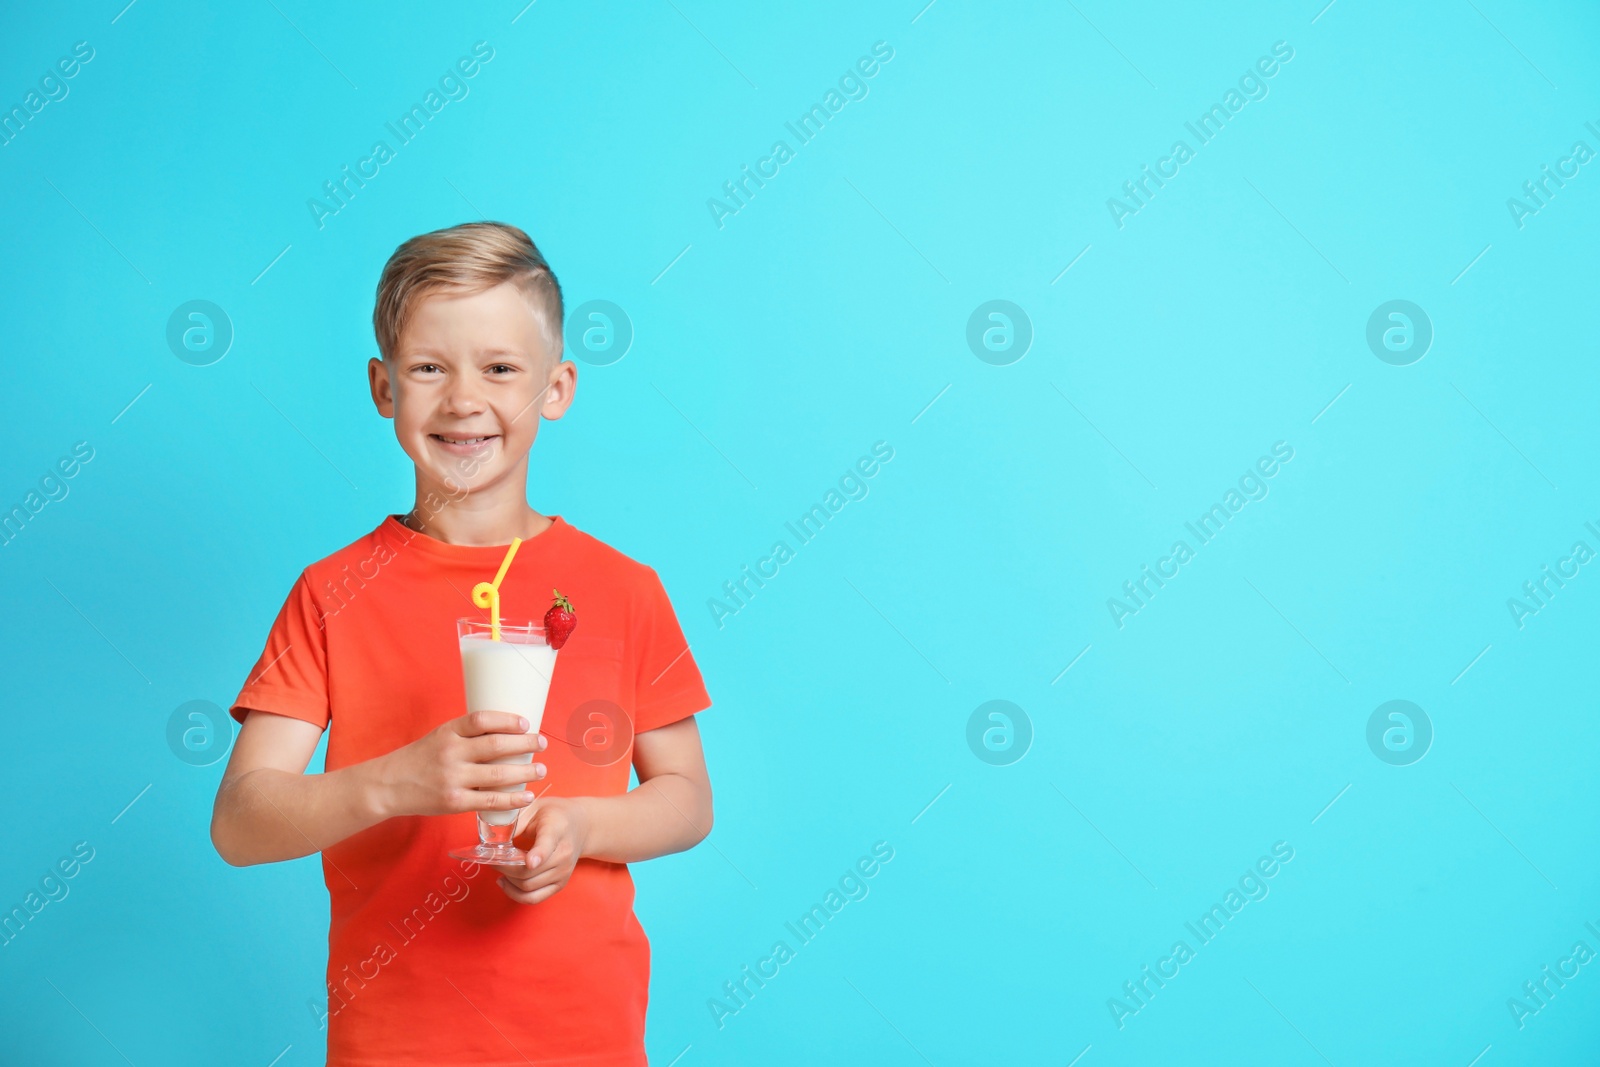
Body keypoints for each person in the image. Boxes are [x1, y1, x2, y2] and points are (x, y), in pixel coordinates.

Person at [210, 221, 714, 1067]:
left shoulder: (626, 588)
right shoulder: (333, 592)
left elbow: (688, 798)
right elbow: (240, 822)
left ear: (556, 388)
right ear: (383, 388)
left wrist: (583, 826)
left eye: (501, 368)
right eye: (429, 368)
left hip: (584, 1038)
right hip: (396, 1041)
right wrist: (392, 781)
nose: (463, 400)